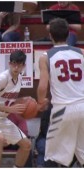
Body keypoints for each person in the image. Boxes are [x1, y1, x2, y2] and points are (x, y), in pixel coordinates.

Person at [37, 18, 84, 167]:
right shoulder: (81, 52)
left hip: (62, 109)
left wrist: (40, 102)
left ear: (50, 35)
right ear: (69, 33)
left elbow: (43, 86)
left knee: (53, 157)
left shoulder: (46, 57)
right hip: (83, 106)